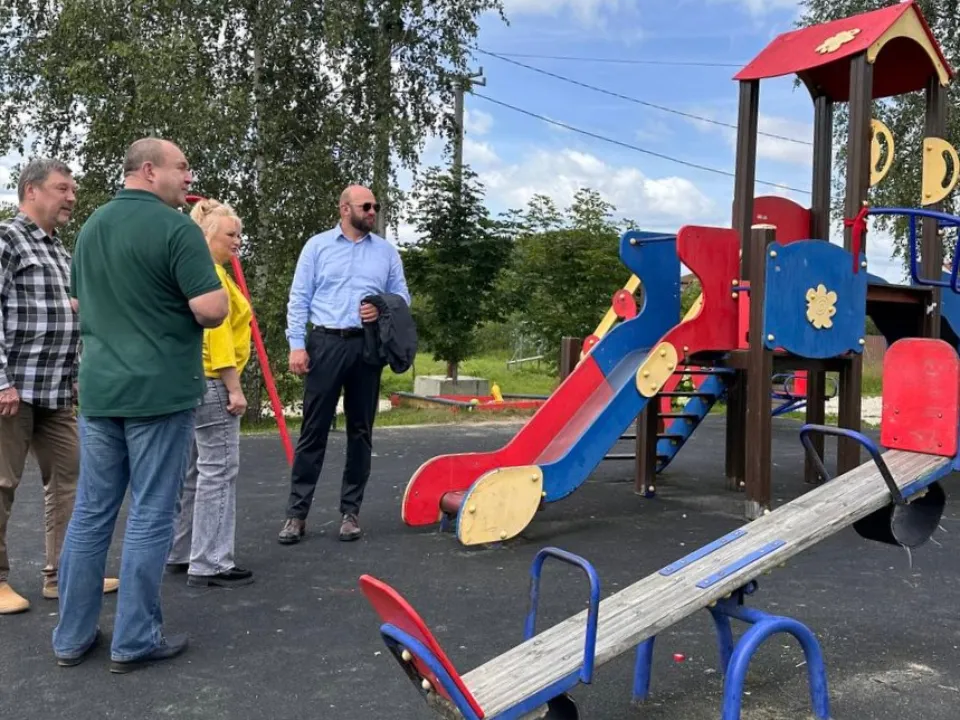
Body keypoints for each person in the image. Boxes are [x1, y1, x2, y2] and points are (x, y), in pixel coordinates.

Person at [51, 138, 228, 672]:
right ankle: (134, 639)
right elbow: (212, 310)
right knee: (151, 513)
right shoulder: (177, 229)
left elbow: (80, 301)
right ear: (150, 171)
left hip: (101, 390)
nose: (188, 174)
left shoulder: (91, 228)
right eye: (181, 166)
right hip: (159, 392)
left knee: (91, 512)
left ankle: (71, 637)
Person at [0, 158, 119, 615]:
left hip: (56, 390)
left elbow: (66, 312)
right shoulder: (7, 239)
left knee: (72, 478)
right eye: (62, 188)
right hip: (13, 389)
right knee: (2, 482)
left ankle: (65, 573)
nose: (71, 197)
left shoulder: (60, 250)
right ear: (31, 191)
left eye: (73, 189)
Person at [279, 185, 410, 544]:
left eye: (375, 206)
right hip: (324, 344)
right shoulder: (317, 246)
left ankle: (350, 513)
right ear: (344, 208)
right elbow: (299, 298)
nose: (372, 211)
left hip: (366, 347)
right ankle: (296, 515)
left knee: (361, 431)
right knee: (313, 430)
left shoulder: (385, 253)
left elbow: (402, 298)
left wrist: (381, 304)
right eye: (366, 206)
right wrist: (296, 346)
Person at [168, 198, 254, 588]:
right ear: (207, 236)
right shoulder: (213, 278)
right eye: (230, 234)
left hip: (192, 381)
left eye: (239, 233)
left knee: (192, 472)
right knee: (219, 471)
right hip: (216, 382)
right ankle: (212, 560)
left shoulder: (200, 273)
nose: (238, 241)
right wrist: (234, 389)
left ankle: (182, 550)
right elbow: (216, 339)